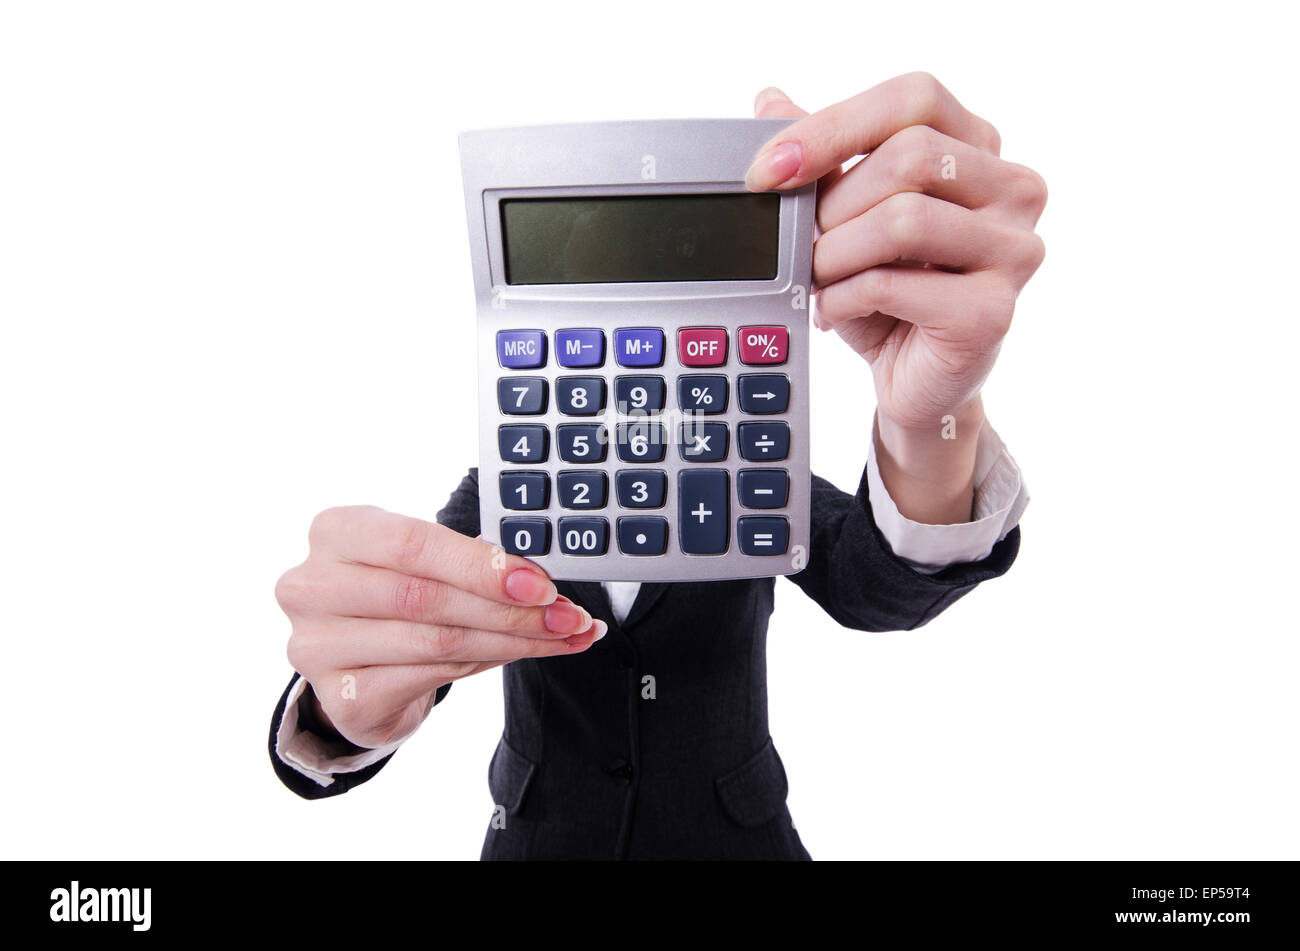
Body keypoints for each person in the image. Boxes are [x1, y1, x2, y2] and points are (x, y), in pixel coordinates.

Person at [268, 74, 1047, 860]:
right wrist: (345, 703)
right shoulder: (510, 488)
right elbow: (425, 630)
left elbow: (873, 589)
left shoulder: (746, 453)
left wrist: (932, 426)